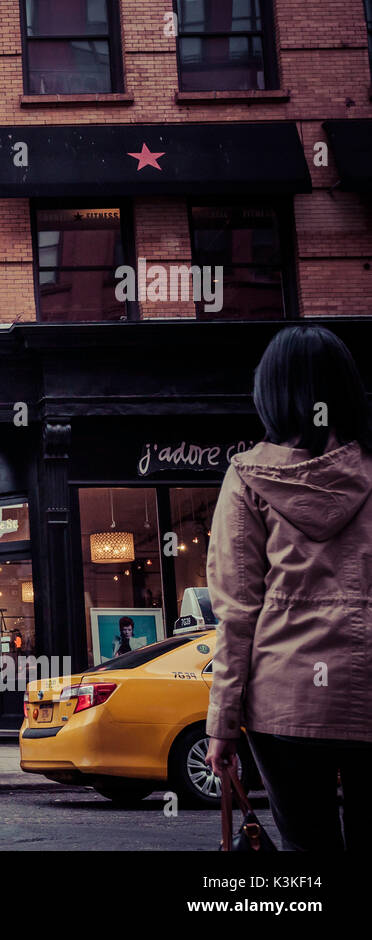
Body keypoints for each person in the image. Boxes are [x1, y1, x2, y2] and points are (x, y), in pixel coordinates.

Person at [207, 325, 372, 850]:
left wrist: (222, 724)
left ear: (269, 392)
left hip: (288, 702)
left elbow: (236, 615)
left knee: (308, 847)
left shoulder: (248, 479)